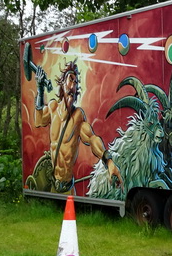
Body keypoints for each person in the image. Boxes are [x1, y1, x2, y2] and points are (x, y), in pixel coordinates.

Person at [29, 59, 122, 194]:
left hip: (67, 188)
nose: (73, 85)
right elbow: (38, 121)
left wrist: (108, 161)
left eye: (76, 82)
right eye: (71, 80)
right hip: (52, 185)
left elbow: (92, 138)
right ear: (62, 84)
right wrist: (40, 88)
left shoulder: (77, 116)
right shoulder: (52, 108)